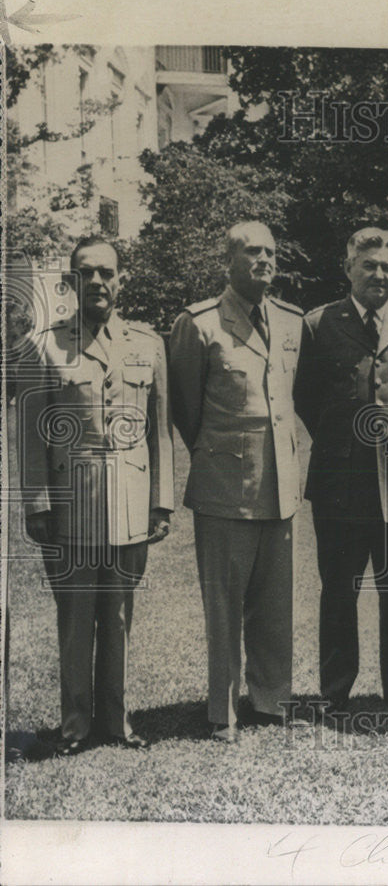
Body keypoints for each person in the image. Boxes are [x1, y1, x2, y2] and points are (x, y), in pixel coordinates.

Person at [17, 235, 173, 756]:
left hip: (130, 504)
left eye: (107, 273)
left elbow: (161, 431)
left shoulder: (147, 344)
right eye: (86, 273)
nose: (98, 282)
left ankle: (117, 723)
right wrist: (37, 504)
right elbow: (32, 433)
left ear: (121, 279)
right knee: (76, 617)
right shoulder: (46, 346)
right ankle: (75, 726)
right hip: (70, 506)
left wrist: (161, 500)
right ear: (70, 282)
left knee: (121, 615)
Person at [294, 228, 388, 724]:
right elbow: (305, 398)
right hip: (340, 479)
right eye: (368, 265)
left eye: (387, 267)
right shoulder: (318, 324)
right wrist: (345, 442)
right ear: (348, 267)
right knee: (339, 587)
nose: (378, 274)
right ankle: (336, 690)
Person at [169, 221, 304, 743]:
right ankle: (221, 709)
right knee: (223, 602)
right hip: (226, 484)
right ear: (228, 261)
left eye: (270, 251)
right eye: (252, 252)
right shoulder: (199, 323)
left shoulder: (291, 322)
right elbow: (185, 409)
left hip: (280, 482)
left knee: (274, 601)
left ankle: (271, 700)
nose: (264, 260)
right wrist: (220, 454)